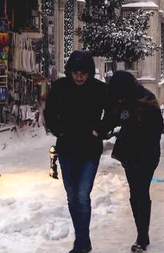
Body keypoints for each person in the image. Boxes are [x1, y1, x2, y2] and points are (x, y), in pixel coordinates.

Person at [44, 50, 107, 253]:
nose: (79, 77)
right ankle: (83, 240)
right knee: (72, 196)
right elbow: (49, 113)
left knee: (82, 195)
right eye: (76, 72)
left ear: (90, 73)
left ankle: (81, 242)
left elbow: (114, 111)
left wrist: (100, 130)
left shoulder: (99, 90)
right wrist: (60, 131)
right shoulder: (60, 88)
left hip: (90, 149)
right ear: (70, 71)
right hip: (68, 148)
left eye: (83, 73)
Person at [104, 71, 164, 253]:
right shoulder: (119, 100)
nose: (119, 98)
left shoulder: (147, 100)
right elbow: (110, 119)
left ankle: (141, 238)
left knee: (141, 191)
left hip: (147, 153)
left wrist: (139, 137)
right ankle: (142, 232)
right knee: (134, 193)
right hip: (129, 153)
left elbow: (157, 129)